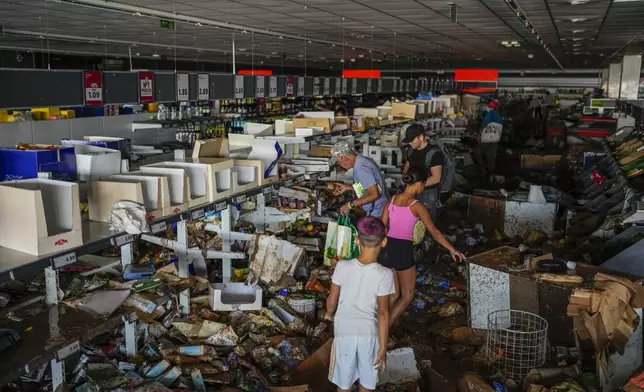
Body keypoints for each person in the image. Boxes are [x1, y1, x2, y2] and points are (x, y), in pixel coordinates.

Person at [379, 167, 465, 327]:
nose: (423, 188)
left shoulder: (392, 200)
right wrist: (452, 249)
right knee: (407, 296)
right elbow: (435, 232)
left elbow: (381, 227)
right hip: (403, 250)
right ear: (418, 184)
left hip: (386, 248)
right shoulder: (416, 205)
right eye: (423, 185)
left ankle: (380, 327)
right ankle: (382, 331)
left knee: (393, 294)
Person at [325, 217, 394, 392]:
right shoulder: (385, 274)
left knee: (344, 384)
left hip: (344, 332)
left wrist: (329, 313)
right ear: (384, 242)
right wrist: (383, 347)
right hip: (369, 335)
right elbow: (383, 313)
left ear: (357, 240)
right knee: (367, 383)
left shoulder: (342, 266)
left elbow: (333, 297)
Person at [329, 140, 389, 218]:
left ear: (343, 158)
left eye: (338, 162)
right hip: (381, 209)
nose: (340, 165)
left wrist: (350, 205)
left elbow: (374, 195)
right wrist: (348, 187)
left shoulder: (361, 168)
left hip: (378, 212)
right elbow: (369, 186)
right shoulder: (362, 161)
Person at [401, 123, 442, 219]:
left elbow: (436, 178)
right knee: (411, 219)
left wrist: (415, 185)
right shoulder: (410, 150)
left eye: (412, 140)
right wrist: (404, 177)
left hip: (428, 193)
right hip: (411, 191)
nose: (410, 143)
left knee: (426, 220)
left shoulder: (434, 154)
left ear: (421, 137)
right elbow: (408, 165)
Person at [477, 101, 503, 174]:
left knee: (478, 153)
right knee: (491, 156)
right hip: (495, 139)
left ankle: (483, 170)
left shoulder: (489, 114)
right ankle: (492, 174)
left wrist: (479, 135)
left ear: (491, 107)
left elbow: (484, 125)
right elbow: (501, 128)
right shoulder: (499, 116)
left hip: (486, 138)